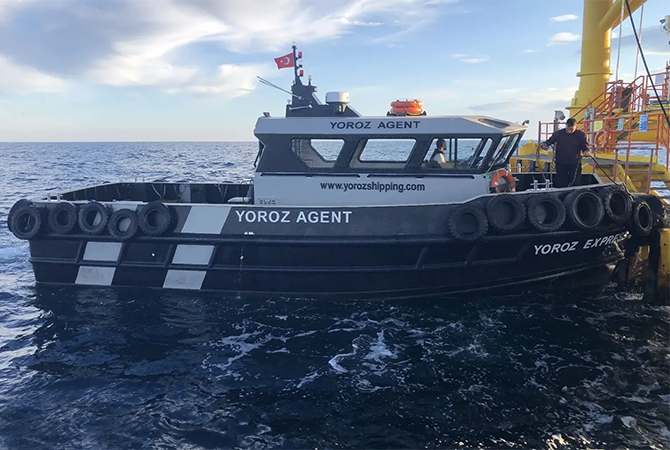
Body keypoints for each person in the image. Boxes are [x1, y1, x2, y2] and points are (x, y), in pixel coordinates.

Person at [540, 118, 591, 188]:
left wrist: (586, 152)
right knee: (561, 182)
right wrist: (544, 145)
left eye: (571, 129)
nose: (569, 131)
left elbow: (584, 147)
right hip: (561, 162)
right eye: (568, 129)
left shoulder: (581, 135)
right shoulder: (558, 134)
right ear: (566, 126)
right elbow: (549, 141)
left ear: (576, 127)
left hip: (574, 162)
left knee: (575, 182)